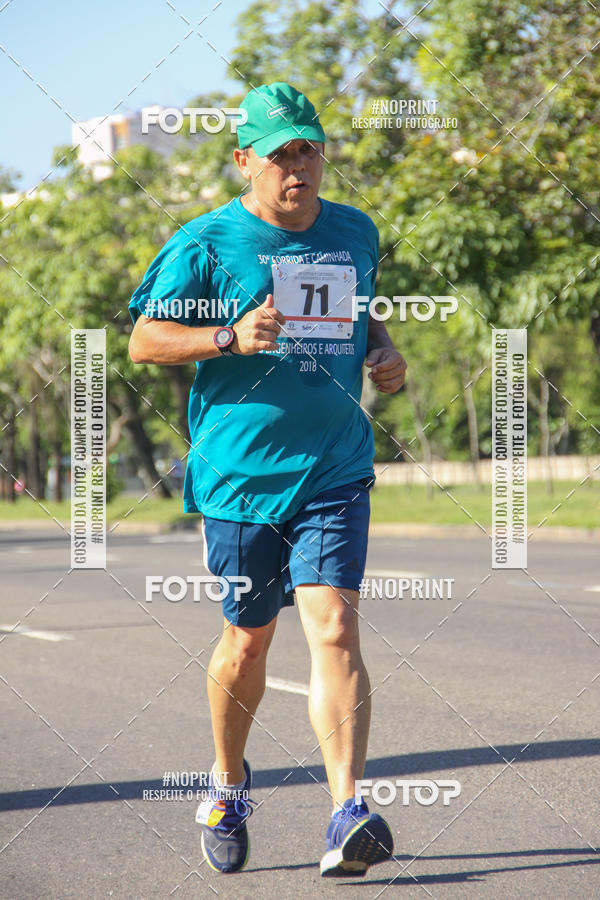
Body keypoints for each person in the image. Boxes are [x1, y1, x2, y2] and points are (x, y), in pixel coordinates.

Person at [128, 82, 407, 877]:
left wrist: (382, 352)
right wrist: (227, 334)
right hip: (242, 476)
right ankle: (226, 782)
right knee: (249, 641)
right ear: (244, 159)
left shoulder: (355, 231)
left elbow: (363, 311)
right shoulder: (209, 242)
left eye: (309, 148)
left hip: (335, 464)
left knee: (335, 628)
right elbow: (146, 341)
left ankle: (346, 812)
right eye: (281, 153)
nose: (298, 166)